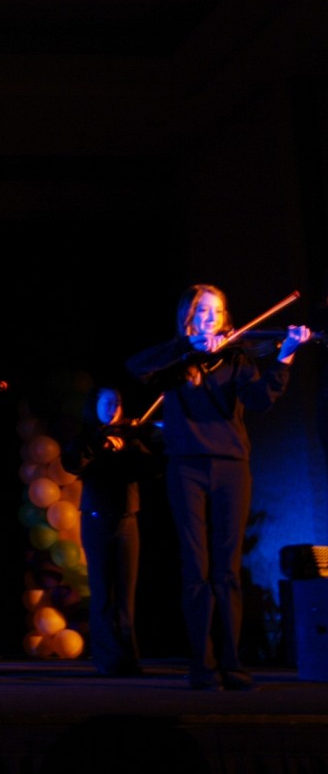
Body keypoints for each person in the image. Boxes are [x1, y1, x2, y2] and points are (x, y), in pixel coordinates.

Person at [126, 284, 310, 691]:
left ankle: (232, 663)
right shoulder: (175, 360)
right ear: (188, 317)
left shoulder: (238, 357)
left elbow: (260, 400)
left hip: (231, 467)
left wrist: (285, 355)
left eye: (217, 311)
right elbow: (136, 366)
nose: (211, 318)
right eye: (203, 312)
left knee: (226, 570)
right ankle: (201, 664)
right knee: (196, 567)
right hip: (185, 468)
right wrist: (190, 350)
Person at [60, 386, 163, 677]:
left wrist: (133, 445)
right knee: (103, 593)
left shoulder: (131, 435)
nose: (113, 408)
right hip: (96, 519)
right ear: (94, 405)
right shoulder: (86, 436)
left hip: (127, 519)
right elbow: (73, 462)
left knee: (125, 595)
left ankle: (128, 659)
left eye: (117, 402)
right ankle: (107, 659)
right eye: (106, 402)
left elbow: (152, 467)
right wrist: (100, 444)